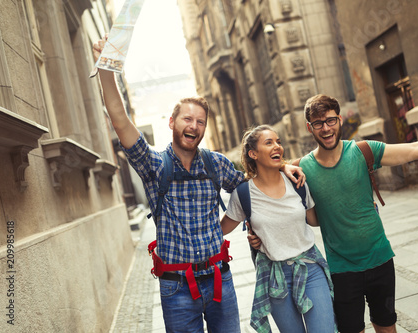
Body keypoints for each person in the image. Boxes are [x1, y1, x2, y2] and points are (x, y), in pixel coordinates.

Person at [91, 38, 305, 333]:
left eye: (200, 121)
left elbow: (253, 184)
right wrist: (107, 67)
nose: (193, 126)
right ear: (172, 122)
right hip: (176, 288)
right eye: (187, 119)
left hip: (220, 280)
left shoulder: (215, 163)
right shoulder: (153, 165)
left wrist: (282, 166)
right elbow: (119, 119)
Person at [291, 94, 418, 333]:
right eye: (318, 123)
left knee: (387, 326)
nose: (326, 128)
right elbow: (262, 182)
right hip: (343, 270)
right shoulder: (301, 168)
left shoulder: (363, 151)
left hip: (380, 260)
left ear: (339, 120)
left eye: (330, 120)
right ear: (310, 127)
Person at [221, 125, 337, 333]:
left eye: (278, 142)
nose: (277, 146)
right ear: (253, 153)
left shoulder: (296, 182)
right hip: (274, 276)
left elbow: (314, 219)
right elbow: (220, 229)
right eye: (269, 143)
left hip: (309, 268)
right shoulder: (243, 194)